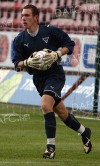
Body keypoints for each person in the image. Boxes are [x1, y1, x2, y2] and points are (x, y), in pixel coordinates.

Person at [11, 4, 92, 159]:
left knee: (45, 105)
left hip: (55, 75)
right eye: (22, 16)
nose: (23, 19)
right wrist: (27, 62)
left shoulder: (50, 31)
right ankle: (84, 132)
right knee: (61, 112)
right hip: (38, 79)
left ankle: (50, 148)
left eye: (27, 15)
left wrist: (56, 54)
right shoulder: (19, 40)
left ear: (36, 17)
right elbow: (17, 63)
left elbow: (69, 44)